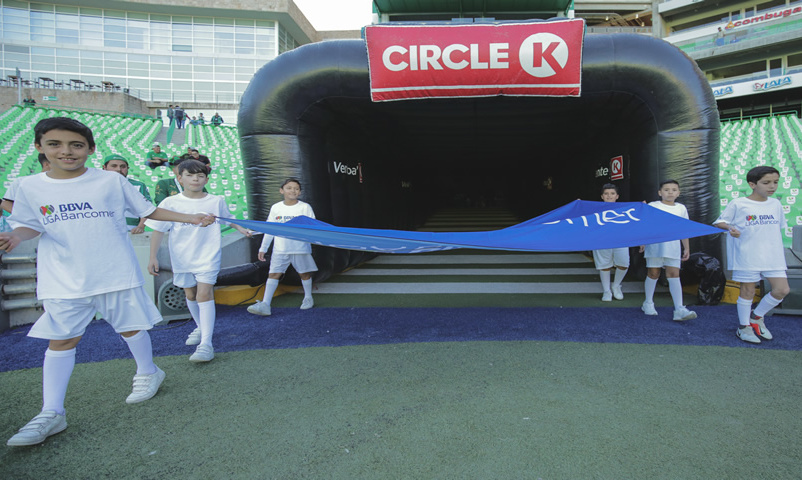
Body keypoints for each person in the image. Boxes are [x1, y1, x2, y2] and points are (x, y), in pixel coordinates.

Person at [1, 117, 214, 447]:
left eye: (76, 145)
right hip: (63, 278)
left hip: (115, 271)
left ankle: (148, 372)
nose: (66, 151)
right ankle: (52, 411)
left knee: (130, 327)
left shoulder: (111, 182)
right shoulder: (28, 186)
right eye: (55, 144)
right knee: (61, 340)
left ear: (90, 149)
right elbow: (30, 226)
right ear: (39, 148)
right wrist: (16, 235)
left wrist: (191, 217)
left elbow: (148, 211)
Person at [147, 160, 252, 362]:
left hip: (208, 255)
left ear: (206, 179)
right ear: (180, 178)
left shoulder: (215, 200)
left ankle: (206, 344)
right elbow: (158, 230)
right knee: (190, 293)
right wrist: (153, 257)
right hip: (182, 256)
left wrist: (241, 229)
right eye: (189, 175)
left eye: (200, 175)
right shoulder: (170, 203)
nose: (195, 179)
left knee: (204, 293)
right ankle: (201, 327)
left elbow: (228, 218)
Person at [714, 166, 790, 344]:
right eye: (766, 183)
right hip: (747, 255)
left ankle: (756, 317)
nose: (772, 186)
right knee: (747, 291)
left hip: (773, 256)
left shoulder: (776, 204)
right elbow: (720, 222)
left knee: (782, 290)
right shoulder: (739, 203)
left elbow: (776, 229)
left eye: (775, 182)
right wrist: (730, 228)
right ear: (752, 184)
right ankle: (743, 327)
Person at [248, 178, 317, 316]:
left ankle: (308, 298)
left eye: (296, 188)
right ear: (281, 190)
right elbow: (269, 228)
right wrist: (263, 248)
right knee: (273, 274)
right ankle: (266, 304)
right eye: (289, 188)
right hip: (280, 249)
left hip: (300, 248)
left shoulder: (305, 207)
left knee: (304, 274)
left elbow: (313, 227)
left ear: (300, 192)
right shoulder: (276, 208)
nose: (293, 191)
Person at [640, 179, 697, 321]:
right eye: (666, 189)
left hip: (673, 247)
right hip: (654, 245)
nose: (670, 192)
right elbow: (644, 224)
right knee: (653, 273)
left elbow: (684, 229)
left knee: (674, 274)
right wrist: (642, 241)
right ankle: (648, 303)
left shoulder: (681, 208)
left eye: (673, 190)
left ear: (678, 193)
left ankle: (679, 308)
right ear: (660, 192)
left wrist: (686, 248)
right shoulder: (653, 206)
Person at [592, 184, 629, 301]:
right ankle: (606, 291)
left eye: (612, 194)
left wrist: (642, 206)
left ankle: (616, 285)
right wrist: (579, 206)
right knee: (604, 266)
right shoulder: (594, 209)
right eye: (606, 194)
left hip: (621, 240)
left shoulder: (624, 209)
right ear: (602, 196)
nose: (609, 196)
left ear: (617, 196)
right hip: (601, 241)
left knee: (623, 264)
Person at [102, 154, 152, 234]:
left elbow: (147, 209)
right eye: (114, 166)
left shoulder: (138, 186)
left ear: (127, 169)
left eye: (123, 166)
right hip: (104, 232)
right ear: (104, 168)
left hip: (130, 231)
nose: (118, 169)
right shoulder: (97, 185)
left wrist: (140, 226)